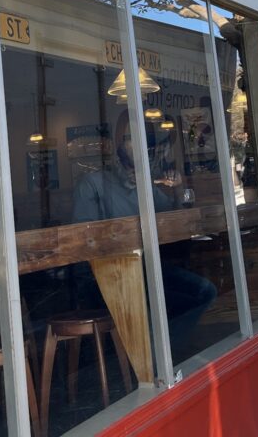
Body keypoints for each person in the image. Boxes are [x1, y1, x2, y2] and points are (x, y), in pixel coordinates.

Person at [73, 113, 216, 357]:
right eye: (130, 138)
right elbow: (82, 240)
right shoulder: (93, 183)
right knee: (157, 303)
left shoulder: (145, 182)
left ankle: (166, 352)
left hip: (147, 268)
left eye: (144, 140)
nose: (138, 145)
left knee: (205, 291)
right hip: (106, 276)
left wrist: (178, 188)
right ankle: (157, 357)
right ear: (118, 144)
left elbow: (172, 217)